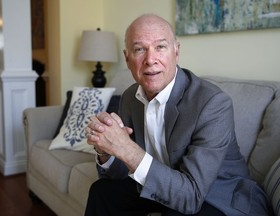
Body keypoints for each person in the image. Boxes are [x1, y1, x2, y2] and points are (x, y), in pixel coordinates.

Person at [84, 14, 270, 216]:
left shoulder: (213, 103)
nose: (150, 60)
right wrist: (106, 149)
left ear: (176, 51)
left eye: (160, 47)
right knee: (101, 192)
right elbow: (122, 172)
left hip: (215, 194)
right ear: (127, 58)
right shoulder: (131, 97)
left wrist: (126, 148)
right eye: (139, 49)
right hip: (163, 182)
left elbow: (190, 197)